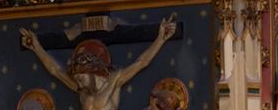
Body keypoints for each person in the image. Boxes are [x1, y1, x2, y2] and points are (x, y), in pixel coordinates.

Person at [19, 17, 176, 110]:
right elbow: (55, 70)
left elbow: (141, 63)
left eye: (80, 78)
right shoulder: (82, 91)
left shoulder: (114, 81)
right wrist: (36, 47)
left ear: (91, 71)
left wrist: (160, 39)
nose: (78, 82)